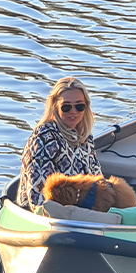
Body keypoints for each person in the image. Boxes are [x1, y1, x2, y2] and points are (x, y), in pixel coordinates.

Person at [17, 76, 102, 209]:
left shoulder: (85, 138)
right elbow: (38, 199)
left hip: (83, 209)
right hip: (51, 214)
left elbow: (98, 181)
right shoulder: (44, 139)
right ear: (55, 106)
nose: (73, 112)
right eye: (66, 107)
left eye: (79, 106)